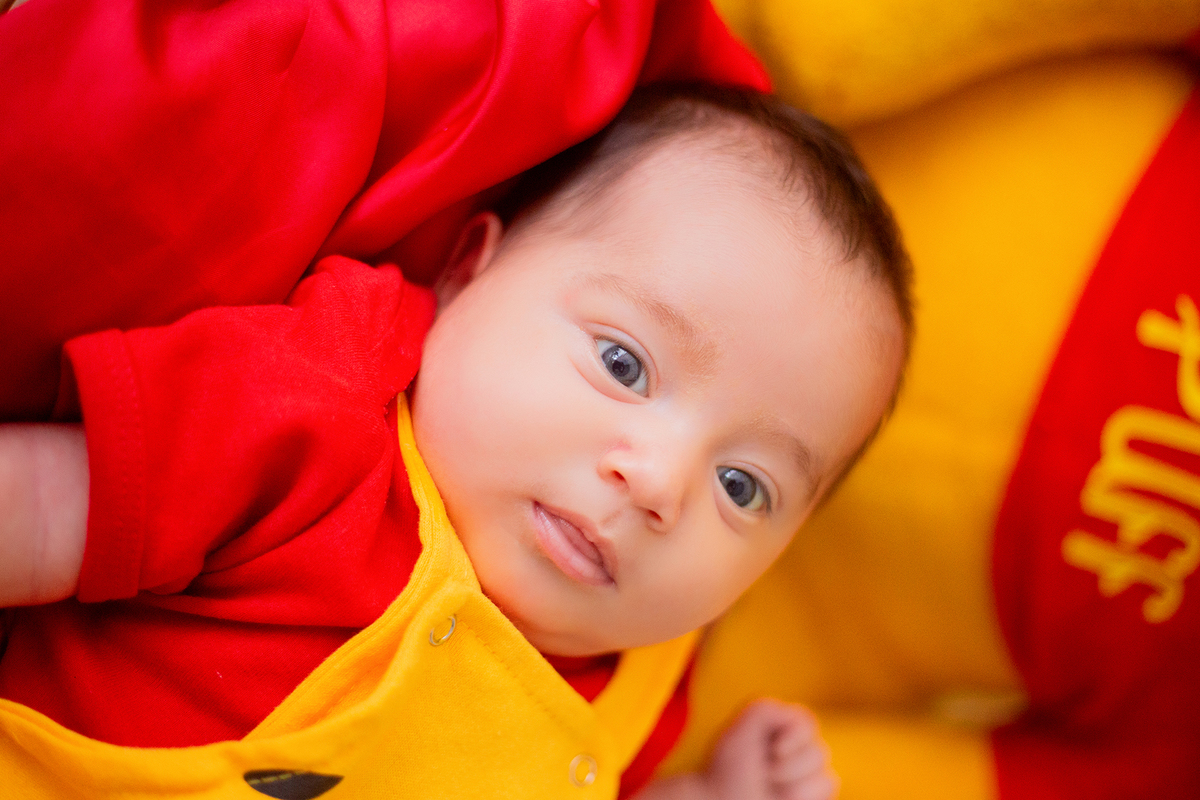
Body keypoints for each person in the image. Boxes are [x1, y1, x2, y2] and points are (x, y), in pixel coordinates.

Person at [0, 84, 911, 799]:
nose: (660, 484)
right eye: (625, 366)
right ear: (470, 270)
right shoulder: (322, 409)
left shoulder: (641, 680)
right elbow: (40, 511)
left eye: (743, 486)